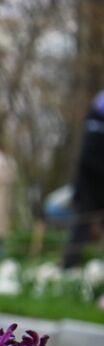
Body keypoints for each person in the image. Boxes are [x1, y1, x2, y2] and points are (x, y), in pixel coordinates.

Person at [65, 90, 104, 268]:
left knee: (82, 223)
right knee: (82, 222)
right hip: (91, 183)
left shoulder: (92, 125)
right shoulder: (95, 130)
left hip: (90, 182)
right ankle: (70, 264)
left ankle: (71, 264)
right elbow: (90, 162)